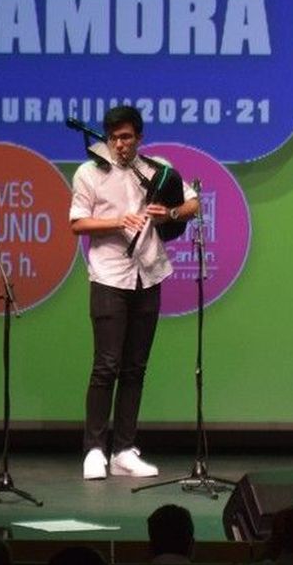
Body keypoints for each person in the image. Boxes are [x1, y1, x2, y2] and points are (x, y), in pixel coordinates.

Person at [70, 105, 199, 481]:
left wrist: (168, 216)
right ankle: (94, 449)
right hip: (109, 277)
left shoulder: (156, 169)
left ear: (138, 138)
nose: (119, 144)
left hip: (149, 274)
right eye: (113, 138)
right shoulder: (89, 172)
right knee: (105, 366)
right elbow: (77, 222)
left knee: (135, 368)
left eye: (126, 137)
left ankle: (124, 449)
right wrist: (117, 221)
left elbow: (190, 202)